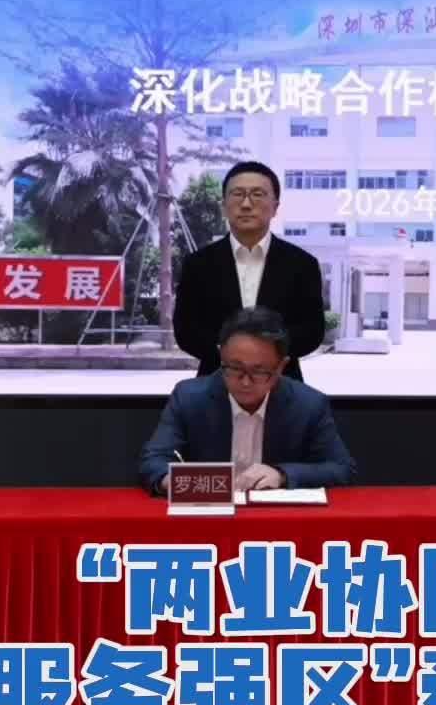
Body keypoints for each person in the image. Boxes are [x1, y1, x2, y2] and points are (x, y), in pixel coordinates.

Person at [141, 306, 357, 495]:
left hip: (275, 522)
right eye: (235, 368)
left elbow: (341, 468)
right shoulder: (189, 397)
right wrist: (179, 482)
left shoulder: (308, 404)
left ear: (281, 367)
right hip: (208, 517)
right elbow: (154, 460)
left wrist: (282, 475)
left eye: (259, 371)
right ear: (221, 355)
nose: (245, 382)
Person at [173, 160, 327, 382]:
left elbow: (312, 330)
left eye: (257, 194)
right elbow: (186, 330)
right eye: (238, 194)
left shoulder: (302, 264)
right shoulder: (198, 264)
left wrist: (267, 356)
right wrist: (231, 358)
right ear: (224, 205)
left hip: (283, 384)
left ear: (275, 206)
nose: (246, 204)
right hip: (214, 383)